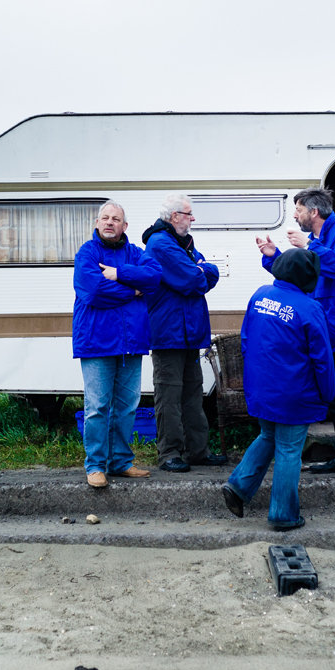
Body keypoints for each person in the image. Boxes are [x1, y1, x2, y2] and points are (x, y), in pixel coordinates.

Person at [256, 187, 335, 480]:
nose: (295, 215)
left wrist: (308, 246)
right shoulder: (316, 240)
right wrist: (272, 256)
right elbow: (300, 276)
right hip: (330, 330)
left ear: (313, 212)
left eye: (299, 210)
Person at [221, 248, 334, 531]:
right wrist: (328, 393)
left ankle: (238, 486)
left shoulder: (260, 295)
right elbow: (322, 359)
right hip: (294, 393)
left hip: (261, 387)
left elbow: (246, 340)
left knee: (268, 435)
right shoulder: (310, 308)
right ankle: (284, 513)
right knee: (288, 450)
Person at [73, 201, 163, 488]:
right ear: (98, 223)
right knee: (98, 406)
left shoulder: (136, 252)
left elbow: (154, 277)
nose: (110, 222)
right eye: (105, 218)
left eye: (116, 219)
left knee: (126, 407)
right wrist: (134, 289)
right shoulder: (87, 253)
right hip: (97, 343)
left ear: (125, 226)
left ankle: (120, 462)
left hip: (132, 343)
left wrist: (120, 274)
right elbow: (94, 290)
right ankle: (96, 465)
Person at [142, 193, 225, 472]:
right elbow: (193, 281)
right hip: (169, 333)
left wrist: (203, 269)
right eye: (189, 214)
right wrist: (200, 270)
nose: (192, 219)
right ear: (175, 216)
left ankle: (197, 451)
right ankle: (169, 454)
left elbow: (208, 273)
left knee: (192, 393)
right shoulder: (161, 244)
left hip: (188, 332)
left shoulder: (182, 243)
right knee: (169, 395)